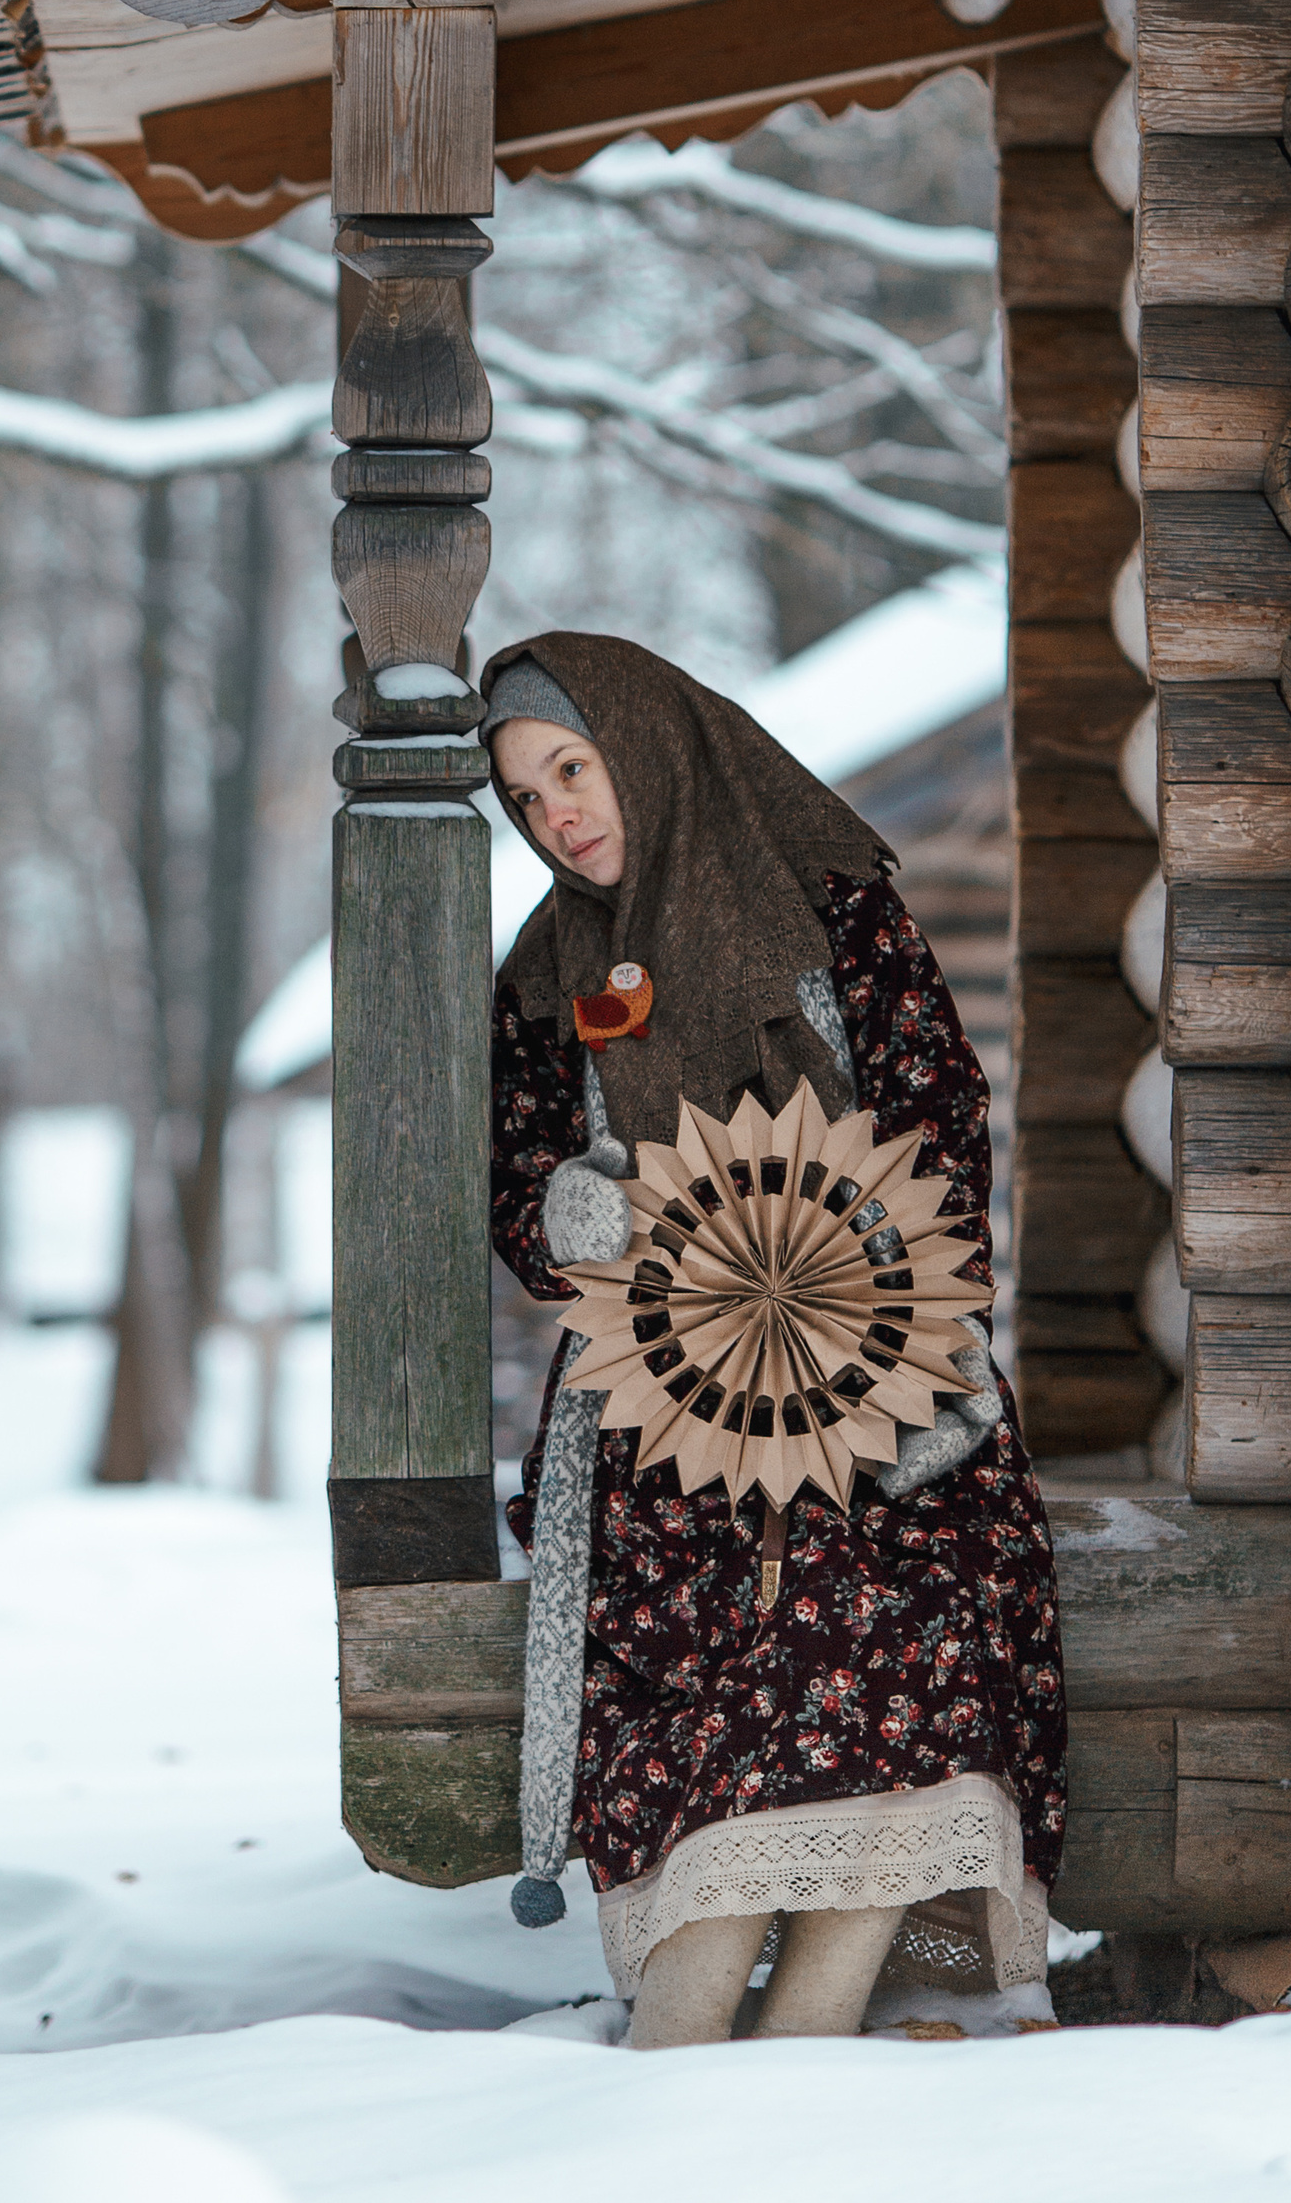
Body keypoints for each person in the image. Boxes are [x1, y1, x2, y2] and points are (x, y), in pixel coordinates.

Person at [482, 632, 1066, 2049]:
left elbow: (942, 1117)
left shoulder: (837, 910)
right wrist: (564, 1208)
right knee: (720, 1674)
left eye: (575, 766)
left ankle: (811, 2040)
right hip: (665, 1404)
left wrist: (885, 1322)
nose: (560, 812)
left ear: (650, 741)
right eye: (527, 797)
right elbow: (518, 1184)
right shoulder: (551, 968)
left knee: (902, 1633)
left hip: (880, 1376)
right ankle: (685, 2046)